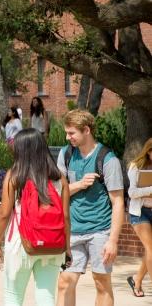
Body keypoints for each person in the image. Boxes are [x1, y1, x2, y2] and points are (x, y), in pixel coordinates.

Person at [0, 128, 70, 306]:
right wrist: (67, 247)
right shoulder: (59, 178)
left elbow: (4, 214)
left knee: (13, 295)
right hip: (52, 244)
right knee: (46, 295)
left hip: (21, 243)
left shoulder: (15, 176)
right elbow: (65, 216)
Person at [56, 109, 125, 306]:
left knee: (101, 283)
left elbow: (118, 202)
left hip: (100, 232)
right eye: (67, 132)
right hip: (72, 231)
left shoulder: (108, 159)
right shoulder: (65, 154)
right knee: (64, 282)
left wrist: (113, 240)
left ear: (86, 130)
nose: (67, 137)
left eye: (71, 133)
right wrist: (79, 185)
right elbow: (57, 192)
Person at [127, 137, 152, 298]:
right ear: (149, 152)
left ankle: (136, 281)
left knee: (151, 251)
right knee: (151, 249)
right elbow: (132, 193)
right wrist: (150, 190)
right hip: (140, 212)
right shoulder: (135, 167)